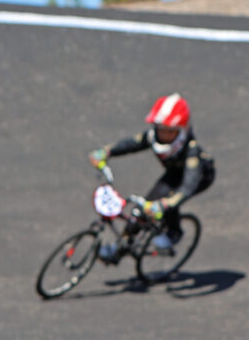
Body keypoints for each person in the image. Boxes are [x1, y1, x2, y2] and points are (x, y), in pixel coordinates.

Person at [88, 93, 214, 253]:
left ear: (181, 131)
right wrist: (106, 151)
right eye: (160, 129)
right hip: (175, 173)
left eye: (169, 131)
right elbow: (131, 144)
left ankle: (174, 233)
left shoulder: (192, 154)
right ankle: (120, 247)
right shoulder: (154, 137)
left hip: (198, 178)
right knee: (140, 211)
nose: (163, 135)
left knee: (169, 201)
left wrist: (163, 204)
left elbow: (187, 188)